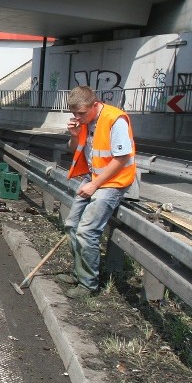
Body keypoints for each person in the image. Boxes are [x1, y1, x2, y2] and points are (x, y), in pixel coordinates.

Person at [58, 86, 136, 299]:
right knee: (72, 225)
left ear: (95, 104)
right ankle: (78, 273)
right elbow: (76, 148)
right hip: (94, 178)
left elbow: (122, 159)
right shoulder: (84, 121)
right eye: (74, 113)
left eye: (81, 113)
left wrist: (94, 185)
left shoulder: (115, 119)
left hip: (113, 182)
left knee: (87, 231)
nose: (77, 117)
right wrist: (74, 135)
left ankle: (88, 285)